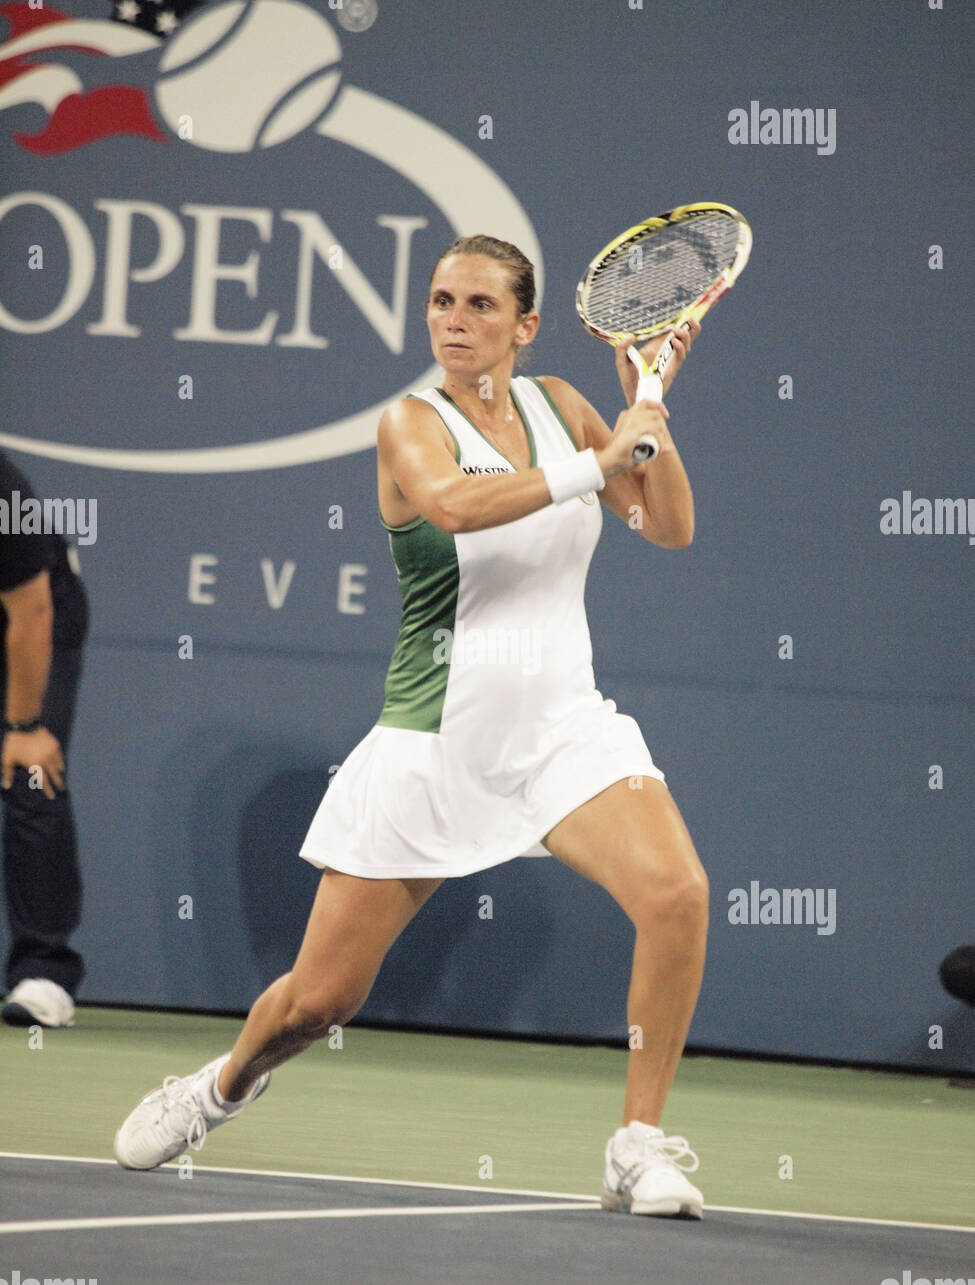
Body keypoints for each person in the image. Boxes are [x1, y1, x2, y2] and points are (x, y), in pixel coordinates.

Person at [114, 235, 710, 1219]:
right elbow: (457, 506)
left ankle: (635, 1143)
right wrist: (598, 464)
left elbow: (669, 525)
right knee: (318, 1003)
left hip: (566, 727)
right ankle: (221, 1087)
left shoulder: (563, 406)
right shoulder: (409, 423)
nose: (453, 320)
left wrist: (652, 421)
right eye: (440, 301)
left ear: (524, 326)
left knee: (678, 892)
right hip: (436, 741)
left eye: (479, 305)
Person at [0, 451, 88, 1028]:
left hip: (35, 614)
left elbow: (30, 611)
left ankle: (45, 974)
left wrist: (24, 728)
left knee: (30, 771)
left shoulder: (3, 491)